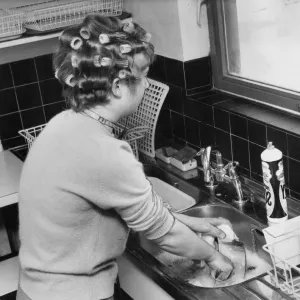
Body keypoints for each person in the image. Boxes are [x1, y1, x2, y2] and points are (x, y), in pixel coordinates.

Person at [17, 14, 234, 300]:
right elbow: (163, 232)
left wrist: (197, 224)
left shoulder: (64, 123)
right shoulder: (103, 151)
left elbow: (146, 210)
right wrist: (214, 257)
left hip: (34, 290)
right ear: (118, 87)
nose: (147, 85)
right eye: (143, 75)